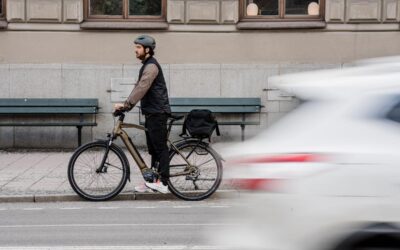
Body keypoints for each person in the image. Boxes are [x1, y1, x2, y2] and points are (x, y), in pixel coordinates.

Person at [114, 35, 171, 194]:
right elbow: (138, 87)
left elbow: (142, 87)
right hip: (152, 112)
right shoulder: (147, 65)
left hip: (158, 112)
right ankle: (152, 181)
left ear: (147, 50)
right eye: (136, 47)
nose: (135, 50)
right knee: (153, 149)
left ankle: (164, 183)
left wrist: (126, 105)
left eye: (138, 47)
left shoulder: (152, 66)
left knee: (160, 148)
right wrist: (125, 104)